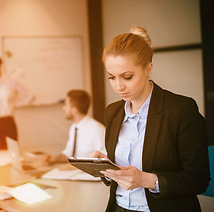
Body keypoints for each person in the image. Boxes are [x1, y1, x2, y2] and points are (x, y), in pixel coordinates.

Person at [91, 26, 210, 212]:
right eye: (111, 78)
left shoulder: (181, 110)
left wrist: (146, 180)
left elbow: (198, 179)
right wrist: (107, 168)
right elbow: (119, 177)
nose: (118, 86)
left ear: (148, 68)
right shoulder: (113, 112)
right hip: (119, 208)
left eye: (127, 76)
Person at [43, 90, 106, 165]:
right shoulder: (74, 127)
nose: (63, 108)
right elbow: (69, 153)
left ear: (74, 110)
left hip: (87, 175)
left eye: (66, 105)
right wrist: (54, 159)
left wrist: (76, 168)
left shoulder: (97, 130)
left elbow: (103, 161)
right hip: (74, 173)